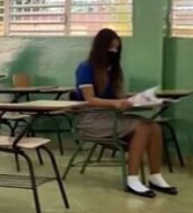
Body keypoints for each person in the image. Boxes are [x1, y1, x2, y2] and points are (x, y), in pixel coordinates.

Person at [73, 28, 177, 198]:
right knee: (143, 127)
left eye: (117, 48)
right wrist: (116, 102)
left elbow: (117, 97)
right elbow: (90, 99)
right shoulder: (85, 67)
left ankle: (155, 176)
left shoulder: (113, 69)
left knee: (155, 127)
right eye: (111, 48)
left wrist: (137, 99)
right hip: (92, 118)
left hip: (113, 117)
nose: (114, 51)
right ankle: (133, 180)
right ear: (101, 47)